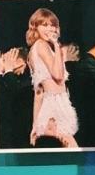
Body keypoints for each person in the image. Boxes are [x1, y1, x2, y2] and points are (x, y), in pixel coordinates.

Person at [25, 8, 79, 148]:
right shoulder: (42, 45)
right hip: (54, 107)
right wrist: (56, 45)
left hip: (53, 103)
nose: (49, 28)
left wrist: (35, 126)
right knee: (71, 148)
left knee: (64, 148)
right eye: (44, 24)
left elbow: (38, 93)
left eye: (52, 25)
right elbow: (58, 76)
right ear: (35, 27)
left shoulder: (36, 49)